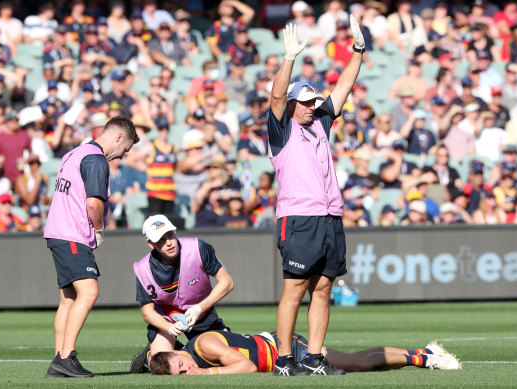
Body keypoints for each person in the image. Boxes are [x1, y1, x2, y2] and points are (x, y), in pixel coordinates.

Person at [268, 19, 365, 376]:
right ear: (294, 104)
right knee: (294, 289)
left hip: (329, 217)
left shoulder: (320, 124)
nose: (312, 107)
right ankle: (283, 360)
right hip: (299, 218)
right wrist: (289, 58)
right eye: (305, 102)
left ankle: (314, 358)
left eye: (313, 102)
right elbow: (277, 96)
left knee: (323, 288)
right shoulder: (281, 129)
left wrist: (357, 51)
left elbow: (343, 87)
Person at [43, 116, 138, 378]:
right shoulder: (96, 159)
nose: (122, 156)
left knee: (68, 299)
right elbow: (94, 204)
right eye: (126, 149)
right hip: (73, 234)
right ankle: (66, 357)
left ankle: (58, 359)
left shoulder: (74, 153)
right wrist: (98, 230)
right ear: (119, 137)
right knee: (89, 292)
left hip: (58, 232)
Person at [130, 214, 234, 374]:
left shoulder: (198, 248)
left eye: (170, 235)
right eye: (160, 240)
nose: (168, 242)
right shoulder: (143, 269)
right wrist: (169, 328)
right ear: (151, 244)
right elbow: (147, 312)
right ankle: (148, 356)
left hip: (202, 313)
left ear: (175, 232)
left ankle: (182, 348)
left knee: (221, 359)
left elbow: (227, 282)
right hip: (167, 317)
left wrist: (199, 309)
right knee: (163, 366)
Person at [149, 330, 462, 375]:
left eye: (182, 368)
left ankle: (426, 355)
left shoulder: (202, 347)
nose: (187, 373)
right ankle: (422, 354)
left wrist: (208, 372)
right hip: (282, 357)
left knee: (356, 363)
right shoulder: (194, 356)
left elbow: (244, 366)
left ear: (178, 355)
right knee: (357, 364)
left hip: (288, 349)